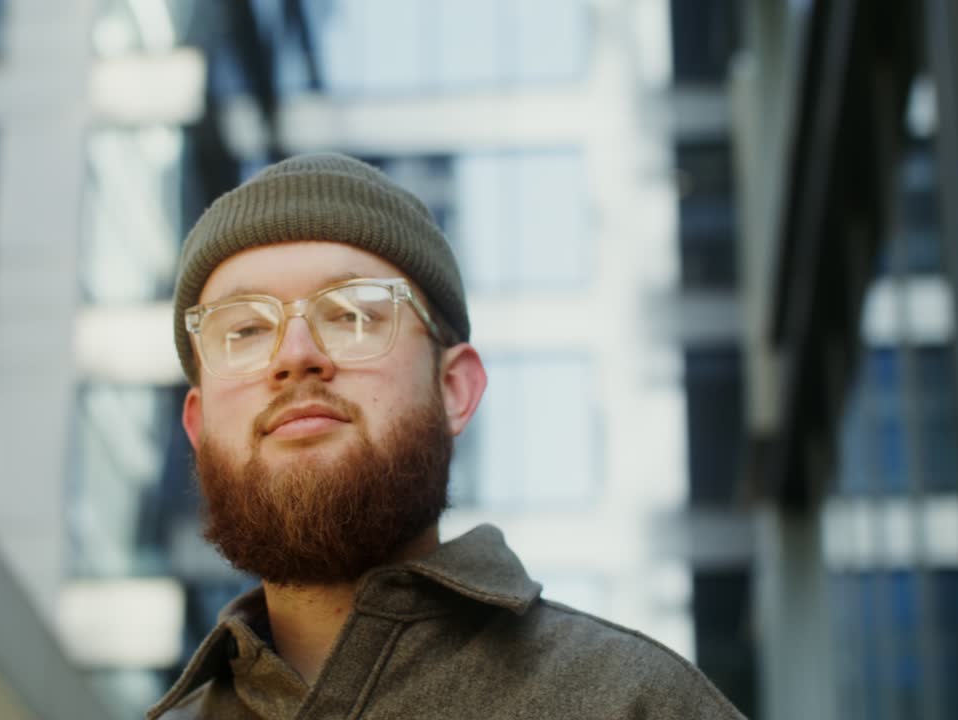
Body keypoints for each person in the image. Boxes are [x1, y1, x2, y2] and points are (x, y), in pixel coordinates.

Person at [147, 153, 745, 719]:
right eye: (246, 330)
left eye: (353, 315)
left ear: (454, 388)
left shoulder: (633, 702)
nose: (295, 355)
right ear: (198, 425)